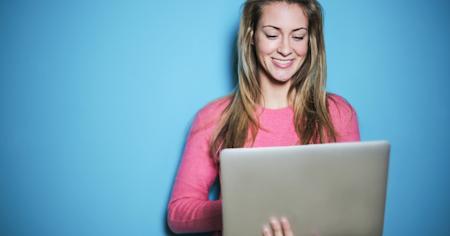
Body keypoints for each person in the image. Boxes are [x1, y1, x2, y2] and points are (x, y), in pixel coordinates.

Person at [167, 0, 360, 235]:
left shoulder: (337, 113)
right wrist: (247, 210)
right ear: (251, 35)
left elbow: (354, 206)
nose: (286, 49)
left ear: (311, 41)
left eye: (298, 37)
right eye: (272, 34)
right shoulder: (214, 118)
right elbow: (178, 213)